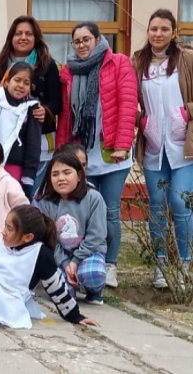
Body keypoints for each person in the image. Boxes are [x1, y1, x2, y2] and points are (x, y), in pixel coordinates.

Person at [57, 21, 137, 288]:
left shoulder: (118, 63)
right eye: (77, 41)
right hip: (82, 155)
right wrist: (63, 152)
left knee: (110, 210)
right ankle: (88, 264)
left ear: (98, 39)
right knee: (85, 212)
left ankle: (110, 264)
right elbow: (66, 115)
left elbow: (127, 105)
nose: (81, 45)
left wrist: (123, 144)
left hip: (113, 151)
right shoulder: (68, 70)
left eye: (86, 39)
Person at [0, 205, 99, 328]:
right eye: (5, 225)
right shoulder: (6, 242)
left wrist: (75, 316)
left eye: (9, 229)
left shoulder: (40, 254)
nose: (4, 231)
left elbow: (57, 288)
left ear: (27, 237)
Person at [132, 8, 193, 288]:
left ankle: (183, 265)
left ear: (173, 32)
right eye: (153, 29)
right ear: (148, 32)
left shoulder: (187, 59)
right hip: (154, 145)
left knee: (181, 204)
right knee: (156, 205)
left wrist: (185, 113)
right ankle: (160, 265)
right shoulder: (139, 61)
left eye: (164, 29)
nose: (158, 34)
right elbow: (132, 99)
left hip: (183, 146)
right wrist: (141, 120)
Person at [0, 16, 62, 192]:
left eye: (29, 33)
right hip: (5, 140)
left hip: (38, 140)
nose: (23, 37)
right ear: (11, 37)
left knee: (33, 196)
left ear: (36, 38)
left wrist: (46, 111)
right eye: (18, 33)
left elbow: (57, 101)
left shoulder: (47, 64)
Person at [36, 149, 108, 306]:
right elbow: (48, 239)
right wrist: (65, 263)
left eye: (67, 173)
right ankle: (71, 285)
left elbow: (96, 236)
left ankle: (94, 291)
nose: (61, 178)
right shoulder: (45, 203)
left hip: (88, 254)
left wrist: (75, 261)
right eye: (55, 174)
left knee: (92, 274)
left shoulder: (93, 198)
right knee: (61, 291)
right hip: (60, 258)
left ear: (79, 175)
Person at [0, 62, 42, 198]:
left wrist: (28, 178)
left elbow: (34, 144)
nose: (21, 85)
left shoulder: (33, 107)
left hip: (16, 169)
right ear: (7, 82)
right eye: (17, 80)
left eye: (26, 83)